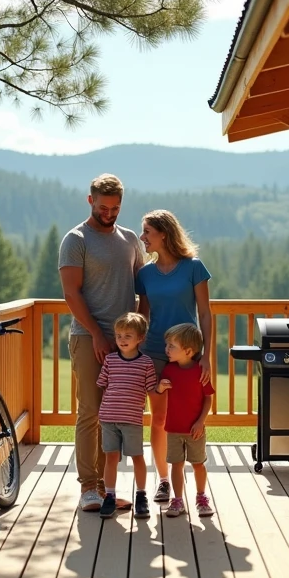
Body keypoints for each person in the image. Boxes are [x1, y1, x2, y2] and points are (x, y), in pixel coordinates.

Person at [59, 174, 146, 513]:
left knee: (115, 416)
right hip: (88, 338)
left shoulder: (129, 239)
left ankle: (106, 490)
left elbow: (142, 287)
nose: (109, 213)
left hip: (126, 343)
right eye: (103, 207)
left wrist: (139, 329)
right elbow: (71, 293)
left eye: (115, 208)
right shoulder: (76, 239)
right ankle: (88, 488)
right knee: (91, 412)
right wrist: (97, 333)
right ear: (90, 201)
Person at [135, 209, 214, 504]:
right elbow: (142, 315)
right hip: (155, 352)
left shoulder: (193, 267)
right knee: (159, 418)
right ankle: (164, 480)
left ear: (164, 234)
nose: (143, 237)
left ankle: (197, 488)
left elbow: (205, 313)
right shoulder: (145, 274)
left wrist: (206, 355)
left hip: (188, 356)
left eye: (147, 232)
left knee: (189, 415)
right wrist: (133, 350)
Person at [95, 312, 158, 519]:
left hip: (132, 420)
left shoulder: (146, 363)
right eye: (119, 335)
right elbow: (103, 385)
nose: (122, 340)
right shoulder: (110, 360)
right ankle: (110, 496)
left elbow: (151, 388)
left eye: (128, 336)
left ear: (140, 338)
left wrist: (163, 387)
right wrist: (105, 411)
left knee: (137, 457)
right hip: (109, 419)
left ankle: (141, 496)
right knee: (111, 457)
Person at [156, 323, 215, 518]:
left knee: (198, 464)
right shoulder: (169, 370)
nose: (167, 349)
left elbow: (208, 398)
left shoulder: (200, 372)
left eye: (171, 346)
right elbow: (159, 390)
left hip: (195, 429)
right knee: (176, 464)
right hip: (173, 428)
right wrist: (161, 387)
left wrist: (201, 422)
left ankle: (201, 497)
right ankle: (178, 500)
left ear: (188, 351)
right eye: (167, 345)